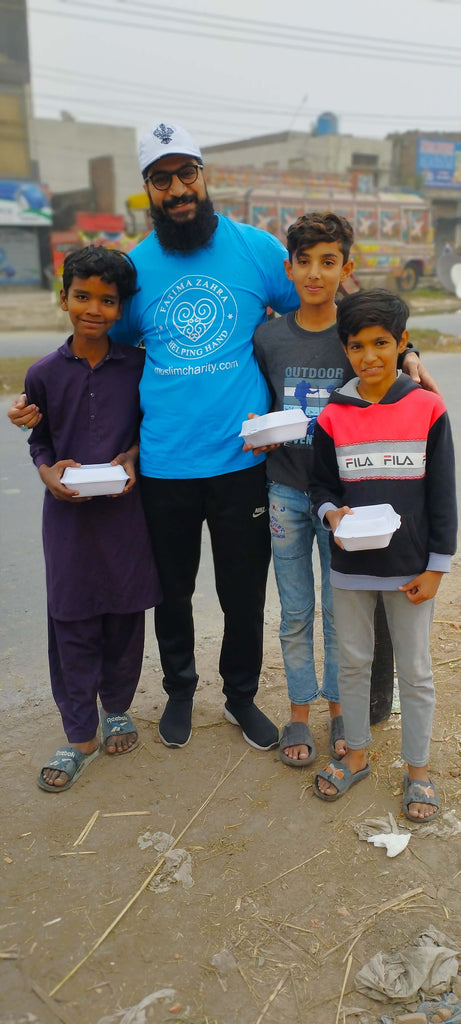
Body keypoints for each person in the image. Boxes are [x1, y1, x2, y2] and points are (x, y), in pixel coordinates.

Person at [7, 121, 438, 755]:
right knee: (171, 591)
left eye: (187, 174)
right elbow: (96, 336)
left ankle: (239, 695)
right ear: (148, 189)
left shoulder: (257, 250)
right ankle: (181, 689)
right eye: (162, 179)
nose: (177, 188)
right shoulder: (135, 267)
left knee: (243, 591)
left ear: (204, 178)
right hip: (162, 464)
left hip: (242, 465)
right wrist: (38, 396)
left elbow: (336, 304)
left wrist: (406, 352)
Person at [247, 212, 413, 766]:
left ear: (347, 266)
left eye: (328, 261)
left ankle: (340, 706)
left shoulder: (353, 332)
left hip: (343, 502)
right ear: (288, 267)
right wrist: (261, 431)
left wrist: (410, 358)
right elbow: (260, 400)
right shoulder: (268, 335)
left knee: (341, 610)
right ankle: (299, 711)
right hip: (284, 493)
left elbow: (387, 367)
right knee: (294, 610)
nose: (315, 273)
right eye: (304, 261)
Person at [310, 289, 457, 820]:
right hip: (351, 565)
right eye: (356, 346)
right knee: (352, 662)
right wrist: (331, 515)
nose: (369, 357)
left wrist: (437, 567)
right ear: (344, 350)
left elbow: (443, 496)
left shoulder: (427, 408)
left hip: (411, 570)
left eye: (381, 343)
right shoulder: (333, 415)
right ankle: (356, 754)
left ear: (401, 345)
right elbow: (321, 484)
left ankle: (418, 770)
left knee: (416, 670)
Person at [25, 246, 161, 791]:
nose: (95, 309)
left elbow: (148, 430)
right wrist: (46, 471)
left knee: (126, 614)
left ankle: (118, 708)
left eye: (108, 300)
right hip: (68, 519)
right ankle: (79, 731)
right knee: (72, 618)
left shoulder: (139, 365)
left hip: (126, 513)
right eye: (83, 296)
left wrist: (131, 457)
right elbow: (39, 441)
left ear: (122, 307)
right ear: (64, 299)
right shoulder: (43, 373)